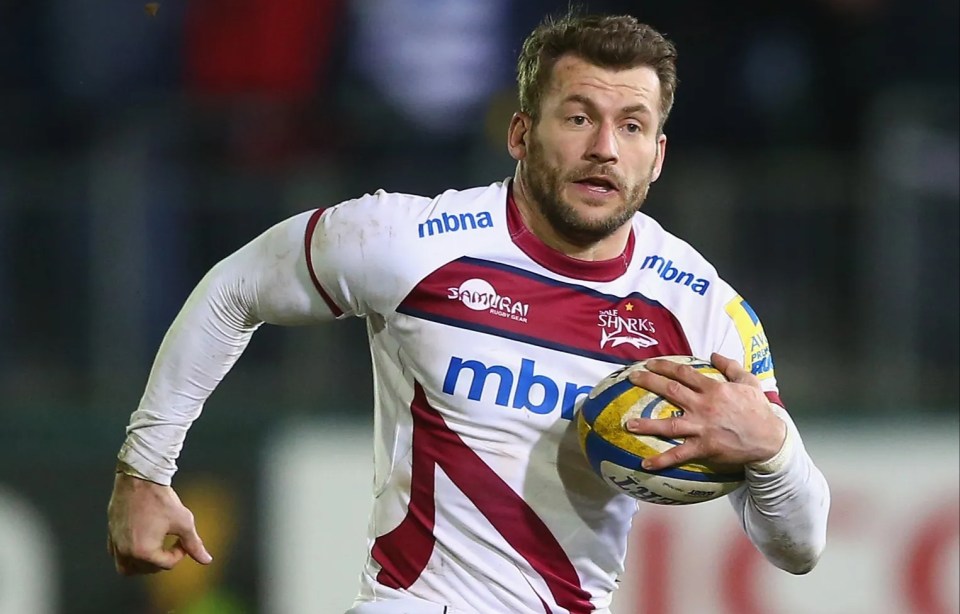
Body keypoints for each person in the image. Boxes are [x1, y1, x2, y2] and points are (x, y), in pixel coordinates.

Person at [107, 11, 830, 614]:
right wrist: (146, 469)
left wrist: (772, 449)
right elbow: (236, 288)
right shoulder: (406, 241)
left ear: (659, 155)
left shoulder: (702, 311)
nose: (605, 149)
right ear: (520, 134)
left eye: (632, 126)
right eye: (578, 117)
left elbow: (799, 548)